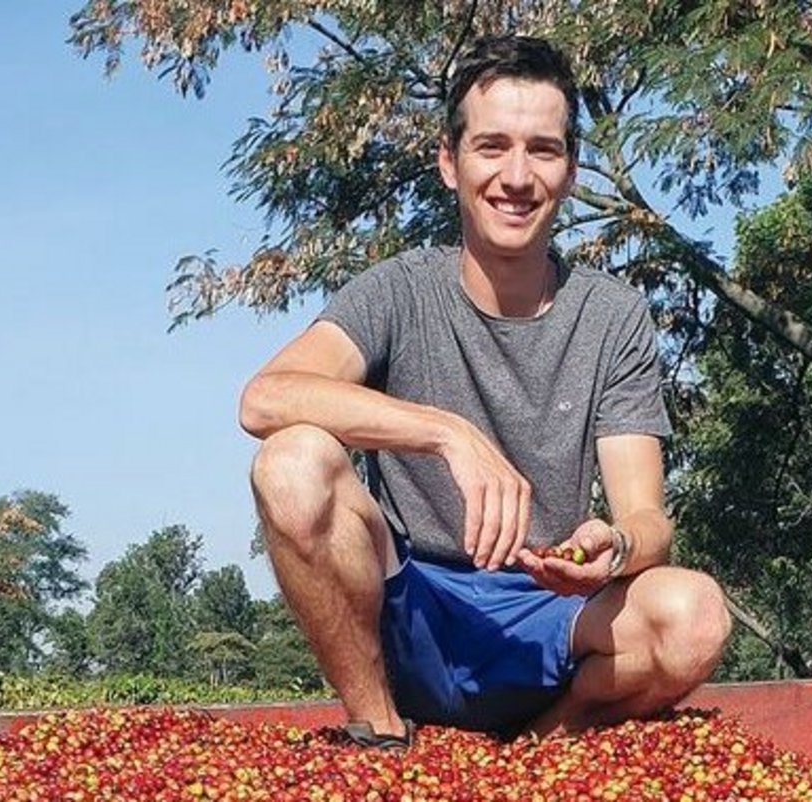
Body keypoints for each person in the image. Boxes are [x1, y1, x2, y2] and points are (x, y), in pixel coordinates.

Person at [239, 34, 730, 746]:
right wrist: (446, 433)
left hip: (550, 615)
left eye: (543, 150)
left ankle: (541, 745)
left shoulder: (612, 315)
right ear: (450, 161)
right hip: (412, 607)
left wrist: (616, 544)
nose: (517, 176)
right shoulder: (400, 291)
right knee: (290, 461)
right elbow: (266, 398)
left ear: (569, 170)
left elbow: (648, 521)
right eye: (492, 146)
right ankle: (379, 729)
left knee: (695, 614)